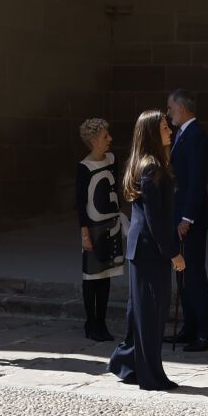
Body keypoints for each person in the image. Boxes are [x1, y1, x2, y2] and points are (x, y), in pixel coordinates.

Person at [108, 109, 184, 391]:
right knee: (150, 314)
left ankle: (129, 365)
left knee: (145, 313)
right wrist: (172, 253)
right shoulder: (151, 166)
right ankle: (149, 375)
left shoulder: (152, 163)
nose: (170, 130)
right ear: (152, 132)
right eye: (164, 127)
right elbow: (154, 218)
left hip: (146, 249)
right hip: (149, 250)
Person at [166, 88, 208, 352]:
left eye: (171, 108)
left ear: (182, 108)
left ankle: (206, 332)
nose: (168, 113)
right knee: (182, 274)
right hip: (179, 214)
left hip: (190, 218)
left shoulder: (195, 135)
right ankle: (190, 326)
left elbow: (196, 180)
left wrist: (187, 217)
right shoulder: (182, 134)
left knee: (194, 274)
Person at [76, 117, 122, 342]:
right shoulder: (84, 168)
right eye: (105, 136)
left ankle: (101, 322)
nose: (110, 139)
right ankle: (91, 322)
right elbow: (80, 204)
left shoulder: (112, 159)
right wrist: (85, 234)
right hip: (93, 228)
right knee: (92, 276)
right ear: (94, 140)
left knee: (106, 275)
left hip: (110, 224)